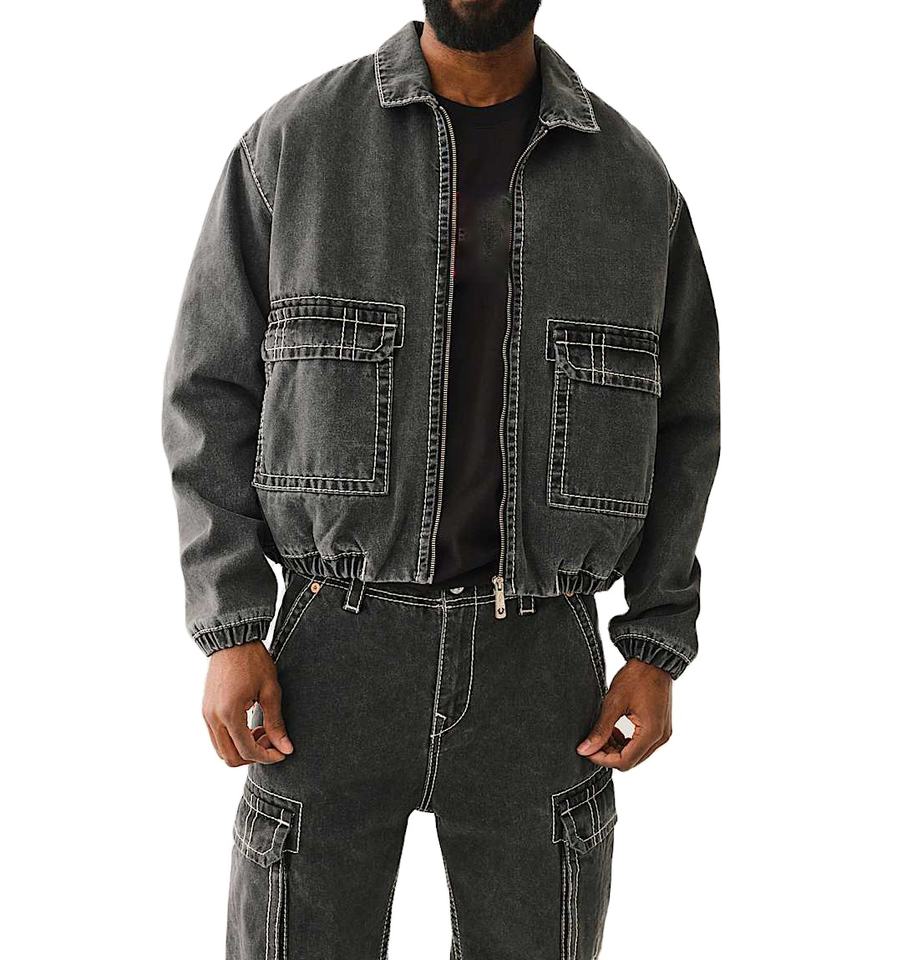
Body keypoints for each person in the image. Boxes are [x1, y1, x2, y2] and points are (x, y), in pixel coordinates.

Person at [162, 2, 720, 956]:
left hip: (542, 669)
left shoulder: (632, 182)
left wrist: (657, 639)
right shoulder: (295, 147)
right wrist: (231, 623)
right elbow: (209, 392)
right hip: (329, 657)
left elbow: (685, 423)